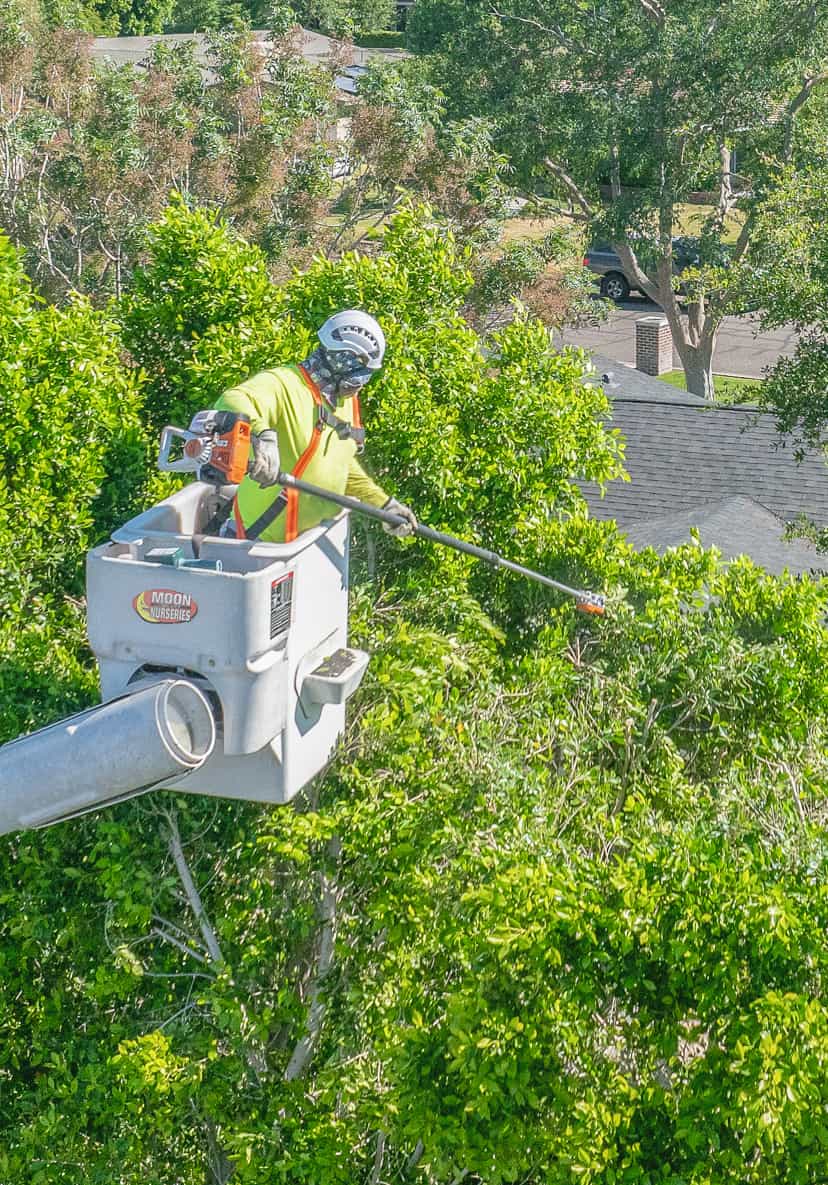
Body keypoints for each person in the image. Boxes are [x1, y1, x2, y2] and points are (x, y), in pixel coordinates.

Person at [214, 310, 418, 544]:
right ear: (341, 361)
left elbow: (339, 464)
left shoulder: (345, 403)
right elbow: (232, 400)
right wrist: (262, 437)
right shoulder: (285, 384)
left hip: (311, 548)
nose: (362, 385)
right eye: (361, 375)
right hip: (257, 545)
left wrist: (383, 505)